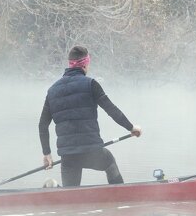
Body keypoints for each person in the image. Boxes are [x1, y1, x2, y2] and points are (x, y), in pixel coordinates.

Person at [39, 46, 142, 187]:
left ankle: (54, 189)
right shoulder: (91, 84)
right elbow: (111, 109)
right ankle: (120, 195)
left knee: (71, 196)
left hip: (68, 156)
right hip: (92, 151)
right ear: (85, 64)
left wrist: (47, 153)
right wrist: (131, 127)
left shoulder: (52, 91)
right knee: (109, 162)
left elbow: (42, 125)